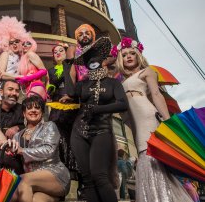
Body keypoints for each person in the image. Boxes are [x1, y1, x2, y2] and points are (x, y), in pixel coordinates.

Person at [113, 36, 193, 202]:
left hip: (147, 115)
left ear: (138, 55)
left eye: (132, 53)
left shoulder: (147, 72)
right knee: (143, 156)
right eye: (125, 54)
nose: (128, 56)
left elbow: (156, 95)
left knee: (149, 155)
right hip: (133, 121)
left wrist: (169, 121)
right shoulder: (120, 81)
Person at [66, 38, 128, 202]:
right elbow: (71, 92)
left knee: (99, 176)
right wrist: (68, 67)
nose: (92, 61)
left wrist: (98, 109)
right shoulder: (83, 84)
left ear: (102, 59)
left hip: (102, 131)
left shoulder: (113, 83)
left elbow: (123, 105)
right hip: (79, 132)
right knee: (87, 180)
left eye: (95, 57)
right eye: (88, 59)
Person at [12, 96, 71, 202]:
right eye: (29, 108)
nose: (33, 110)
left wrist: (22, 151)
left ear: (42, 112)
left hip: (54, 175)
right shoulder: (17, 136)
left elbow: (49, 150)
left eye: (37, 108)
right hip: (33, 183)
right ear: (24, 113)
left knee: (21, 180)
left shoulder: (50, 126)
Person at [46, 42, 79, 179]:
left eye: (61, 50)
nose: (58, 52)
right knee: (57, 135)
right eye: (55, 52)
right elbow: (49, 87)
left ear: (66, 53)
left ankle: (74, 170)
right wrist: (50, 90)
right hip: (56, 105)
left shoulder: (73, 67)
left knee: (73, 136)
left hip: (72, 103)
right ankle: (60, 166)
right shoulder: (51, 71)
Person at [0, 16, 26, 108]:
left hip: (10, 94)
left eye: (17, 41)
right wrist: (20, 77)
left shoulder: (21, 58)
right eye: (11, 43)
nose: (14, 44)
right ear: (5, 44)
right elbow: (1, 74)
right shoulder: (6, 54)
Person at [16, 35, 47, 100]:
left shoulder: (31, 54)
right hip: (29, 88)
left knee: (34, 109)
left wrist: (28, 78)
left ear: (32, 45)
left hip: (36, 86)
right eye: (23, 44)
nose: (25, 45)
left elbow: (44, 71)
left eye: (28, 43)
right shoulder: (23, 58)